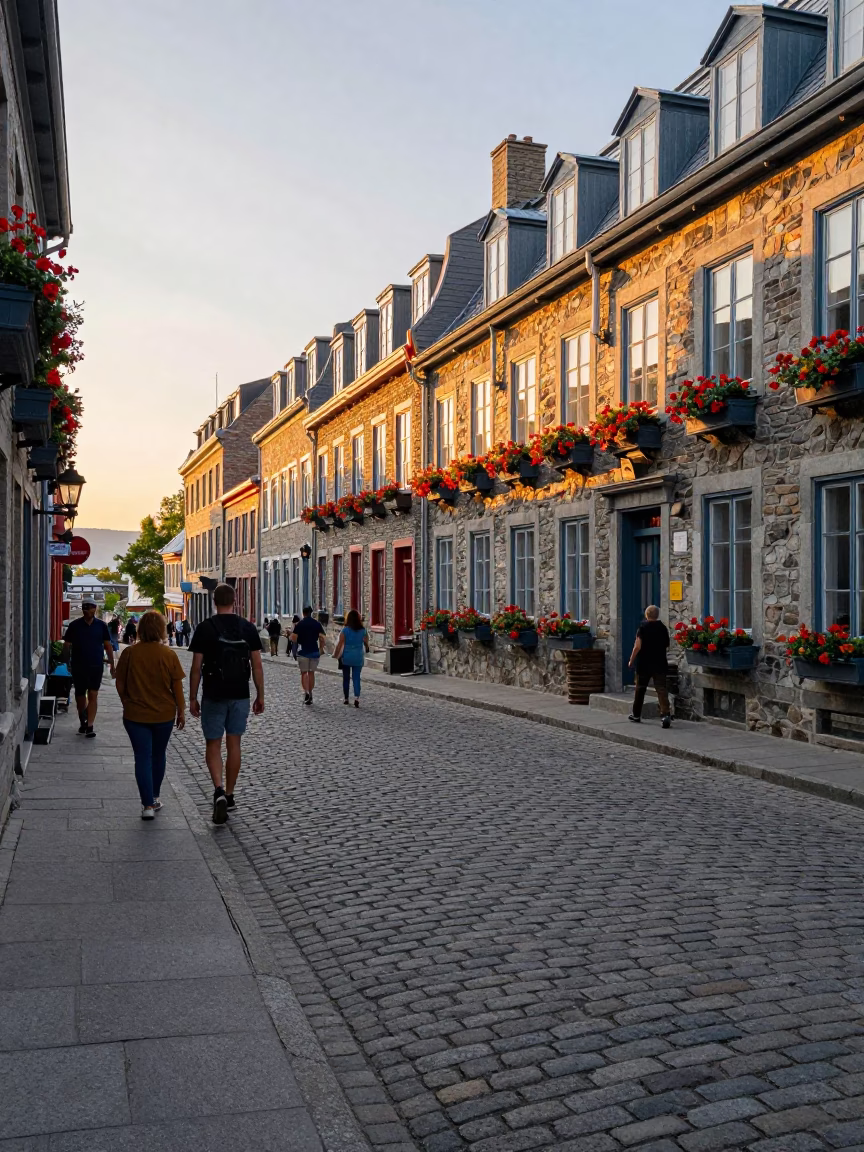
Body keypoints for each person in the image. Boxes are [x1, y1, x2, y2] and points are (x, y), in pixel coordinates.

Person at [189, 583, 264, 824]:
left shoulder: (205, 628)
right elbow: (257, 666)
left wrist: (192, 697)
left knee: (213, 743)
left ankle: (218, 789)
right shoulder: (247, 628)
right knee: (234, 743)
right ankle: (230, 794)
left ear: (214, 601)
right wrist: (260, 694)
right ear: (235, 600)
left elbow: (196, 668)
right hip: (240, 692)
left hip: (213, 693)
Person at [115, 610, 186, 819]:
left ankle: (147, 805)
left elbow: (119, 683)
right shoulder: (169, 655)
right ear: (161, 629)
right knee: (158, 754)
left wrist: (126, 701)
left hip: (135, 714)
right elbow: (177, 688)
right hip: (163, 714)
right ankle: (154, 797)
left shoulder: (130, 653)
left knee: (142, 757)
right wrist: (181, 711)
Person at [61, 598, 116, 738]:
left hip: (95, 665)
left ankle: (90, 725)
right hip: (78, 665)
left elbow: (108, 645)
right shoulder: (74, 626)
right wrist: (65, 663)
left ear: (94, 609)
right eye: (85, 608)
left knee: (93, 694)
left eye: (90, 608)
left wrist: (112, 665)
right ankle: (82, 721)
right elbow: (66, 645)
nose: (87, 611)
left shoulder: (101, 626)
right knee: (80, 696)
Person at [628, 604, 672, 729]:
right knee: (661, 689)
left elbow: (637, 646)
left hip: (644, 663)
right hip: (660, 662)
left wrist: (631, 660)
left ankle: (636, 714)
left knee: (640, 688)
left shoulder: (643, 627)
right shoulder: (663, 628)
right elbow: (667, 645)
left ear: (646, 615)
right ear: (657, 615)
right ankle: (665, 714)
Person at [333, 609, 369, 708]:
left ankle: (346, 698)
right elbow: (366, 642)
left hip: (347, 657)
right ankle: (357, 697)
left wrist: (335, 655)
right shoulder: (363, 630)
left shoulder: (345, 630)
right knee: (356, 677)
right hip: (358, 656)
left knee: (346, 678)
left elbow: (340, 644)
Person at [290, 606, 326, 705]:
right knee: (311, 673)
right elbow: (322, 638)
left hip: (303, 651)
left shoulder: (299, 624)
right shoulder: (317, 624)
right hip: (314, 651)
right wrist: (321, 649)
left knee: (303, 673)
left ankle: (306, 692)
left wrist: (299, 639)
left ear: (303, 613)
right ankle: (310, 693)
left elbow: (293, 638)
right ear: (311, 613)